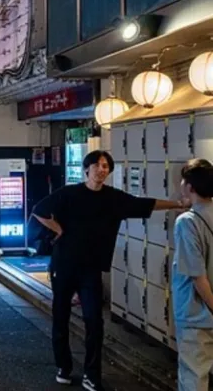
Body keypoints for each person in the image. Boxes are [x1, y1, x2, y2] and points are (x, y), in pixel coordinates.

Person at [32, 150, 183, 391]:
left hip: (91, 268)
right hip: (63, 265)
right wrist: (58, 229)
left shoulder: (113, 198)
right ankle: (64, 366)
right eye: (97, 165)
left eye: (106, 166)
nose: (102, 170)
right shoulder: (69, 193)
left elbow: (143, 204)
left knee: (95, 321)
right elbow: (39, 210)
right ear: (87, 168)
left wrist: (177, 204)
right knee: (60, 317)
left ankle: (92, 375)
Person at [172, 158, 213, 391]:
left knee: (194, 376)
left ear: (190, 186)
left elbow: (198, 276)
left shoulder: (187, 222)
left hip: (197, 313)